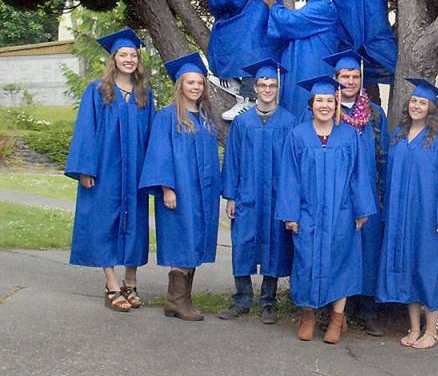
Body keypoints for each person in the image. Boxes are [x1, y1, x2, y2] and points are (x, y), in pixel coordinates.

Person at [276, 75, 376, 343]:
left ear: (337, 104)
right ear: (311, 104)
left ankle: (336, 319)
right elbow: (289, 177)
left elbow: (359, 175)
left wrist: (361, 210)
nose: (324, 105)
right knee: (306, 262)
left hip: (342, 213)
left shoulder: (349, 136)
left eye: (329, 101)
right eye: (319, 100)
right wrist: (290, 214)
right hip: (308, 213)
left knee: (341, 263)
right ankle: (308, 315)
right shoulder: (297, 135)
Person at [65, 28, 155, 312]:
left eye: (133, 55)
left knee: (135, 224)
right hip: (105, 169)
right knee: (105, 222)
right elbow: (86, 131)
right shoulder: (97, 90)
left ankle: (131, 282)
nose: (128, 59)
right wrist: (85, 169)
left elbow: (152, 136)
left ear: (138, 60)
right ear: (113, 58)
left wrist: (153, 172)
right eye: (123, 55)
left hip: (136, 171)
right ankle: (111, 285)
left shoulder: (144, 94)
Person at [376, 78, 438, 349]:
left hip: (426, 217)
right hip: (400, 214)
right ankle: (414, 328)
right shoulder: (398, 136)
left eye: (422, 102)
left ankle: (431, 331)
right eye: (414, 101)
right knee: (407, 270)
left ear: (431, 108)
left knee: (426, 269)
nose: (416, 105)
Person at [140, 52, 221, 321]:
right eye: (190, 82)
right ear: (180, 85)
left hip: (203, 193)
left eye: (199, 83)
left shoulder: (206, 118)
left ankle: (181, 301)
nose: (196, 87)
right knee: (182, 240)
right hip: (179, 191)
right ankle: (176, 300)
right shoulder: (167, 117)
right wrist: (167, 188)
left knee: (195, 241)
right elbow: (159, 153)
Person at [219, 59, 296, 324]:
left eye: (271, 84)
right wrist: (230, 196)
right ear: (255, 88)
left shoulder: (289, 122)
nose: (266, 89)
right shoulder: (242, 123)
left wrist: (290, 201)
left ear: (278, 87)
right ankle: (241, 298)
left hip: (276, 196)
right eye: (262, 84)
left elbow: (293, 166)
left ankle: (268, 302)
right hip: (247, 194)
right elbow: (232, 160)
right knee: (242, 243)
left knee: (274, 244)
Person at [321, 50, 389, 336]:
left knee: (369, 251)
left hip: (369, 192)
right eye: (344, 76)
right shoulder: (325, 108)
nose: (350, 81)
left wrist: (383, 194)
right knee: (341, 250)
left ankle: (367, 310)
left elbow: (383, 155)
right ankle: (339, 311)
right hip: (335, 193)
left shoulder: (374, 113)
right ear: (335, 79)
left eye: (355, 76)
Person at [263, 0, 345, 119]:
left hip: (313, 73)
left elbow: (288, 21)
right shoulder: (305, 11)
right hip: (294, 74)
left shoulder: (324, 7)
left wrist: (272, 3)